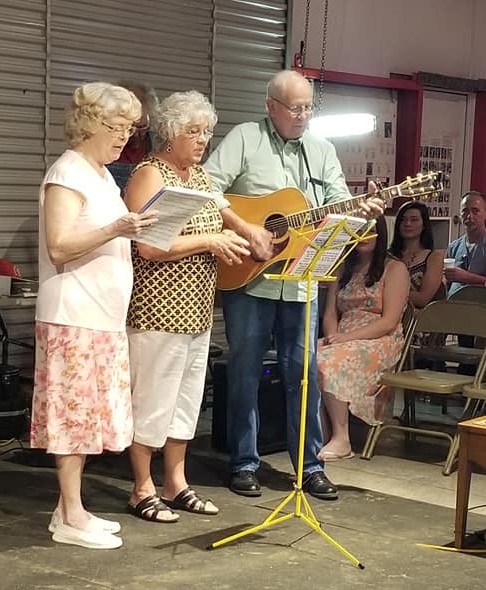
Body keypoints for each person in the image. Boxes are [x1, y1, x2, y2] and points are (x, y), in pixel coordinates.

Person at [204, 69, 384, 500]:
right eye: (294, 108)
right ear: (271, 107)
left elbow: (340, 208)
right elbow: (206, 187)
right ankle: (244, 462)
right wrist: (248, 229)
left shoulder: (321, 150)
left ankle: (310, 464)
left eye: (308, 108)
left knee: (302, 375)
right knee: (245, 371)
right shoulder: (245, 138)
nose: (303, 116)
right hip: (251, 279)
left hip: (302, 282)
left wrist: (367, 210)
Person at [30, 82, 158, 549]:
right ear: (88, 124)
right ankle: (71, 516)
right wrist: (117, 227)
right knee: (71, 416)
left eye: (129, 128)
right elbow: (59, 246)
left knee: (89, 417)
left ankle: (69, 509)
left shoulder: (101, 173)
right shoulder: (67, 173)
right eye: (115, 127)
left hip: (100, 316)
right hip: (73, 314)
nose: (123, 136)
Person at [124, 90, 249, 522]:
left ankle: (176, 482)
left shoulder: (200, 178)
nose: (202, 141)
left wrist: (250, 233)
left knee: (185, 401)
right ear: (170, 132)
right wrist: (208, 240)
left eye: (207, 132)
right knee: (152, 399)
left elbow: (229, 216)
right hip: (158, 308)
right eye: (194, 132)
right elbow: (148, 248)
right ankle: (141, 488)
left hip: (196, 309)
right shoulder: (150, 175)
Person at [317, 216, 410, 460]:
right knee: (306, 355)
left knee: (330, 361)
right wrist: (332, 337)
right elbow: (329, 314)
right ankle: (319, 431)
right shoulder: (343, 268)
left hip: (379, 339)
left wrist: (345, 340)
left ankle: (341, 437)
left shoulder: (394, 269)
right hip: (343, 335)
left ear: (380, 234)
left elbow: (389, 321)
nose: (364, 236)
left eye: (370, 231)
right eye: (358, 230)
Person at [389, 201, 445, 309]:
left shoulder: (433, 257)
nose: (407, 223)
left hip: (419, 318)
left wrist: (387, 294)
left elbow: (422, 299)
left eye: (414, 220)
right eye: (403, 220)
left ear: (424, 225)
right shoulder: (388, 256)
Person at [107, 81, 158, 192]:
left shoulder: (156, 144)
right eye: (131, 127)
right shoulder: (105, 144)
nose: (136, 134)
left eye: (143, 127)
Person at [445, 191, 486, 297]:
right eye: (465, 211)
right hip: (455, 306)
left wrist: (468, 277)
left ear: (485, 214)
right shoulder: (454, 247)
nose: (469, 216)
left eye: (475, 211)